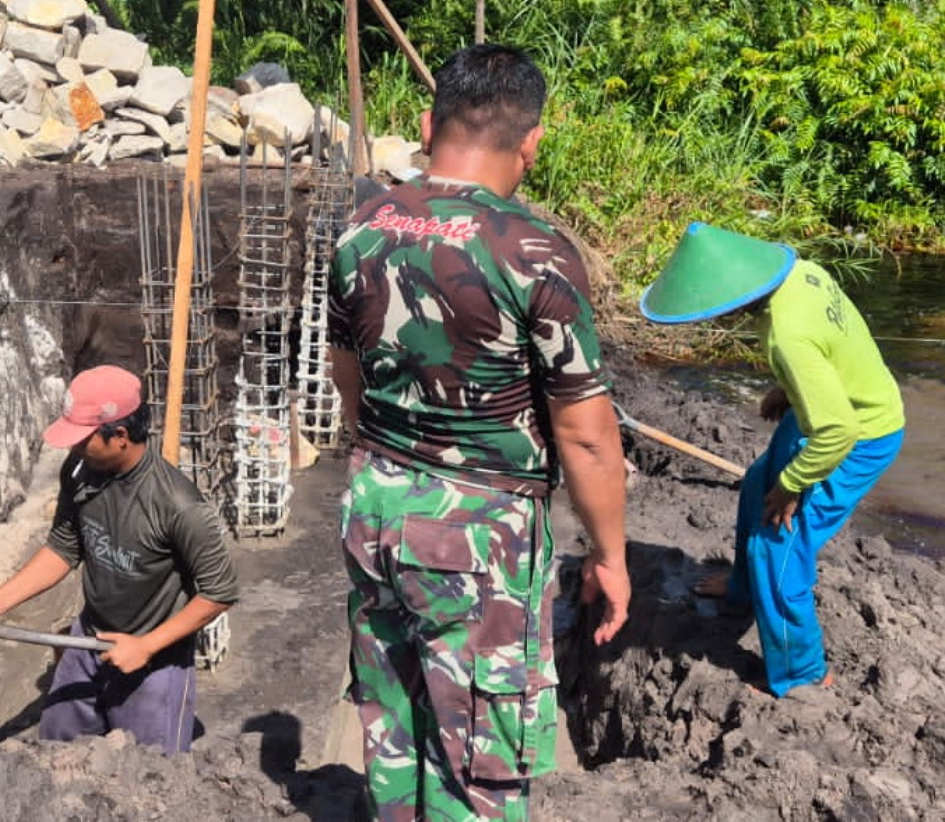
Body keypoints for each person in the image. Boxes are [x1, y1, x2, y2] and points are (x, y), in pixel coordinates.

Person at [327, 43, 631, 821]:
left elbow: (345, 369)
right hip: (478, 532)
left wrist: (390, 452)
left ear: (430, 125)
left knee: (394, 722)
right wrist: (608, 557)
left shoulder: (361, 226)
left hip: (375, 505)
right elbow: (587, 436)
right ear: (531, 142)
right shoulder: (532, 251)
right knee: (479, 762)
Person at [641, 222, 905, 696]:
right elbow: (834, 341)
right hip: (826, 411)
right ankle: (743, 588)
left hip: (857, 433)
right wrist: (790, 388)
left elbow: (839, 431)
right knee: (756, 481)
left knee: (777, 547)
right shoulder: (804, 271)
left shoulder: (787, 334)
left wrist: (793, 485)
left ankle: (805, 671)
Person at [0, 364, 239, 753]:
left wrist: (147, 646)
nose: (73, 449)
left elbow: (219, 592)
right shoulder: (81, 470)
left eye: (84, 439)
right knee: (57, 747)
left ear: (119, 436)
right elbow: (64, 548)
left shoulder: (178, 506)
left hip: (154, 656)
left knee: (147, 771)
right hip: (89, 639)